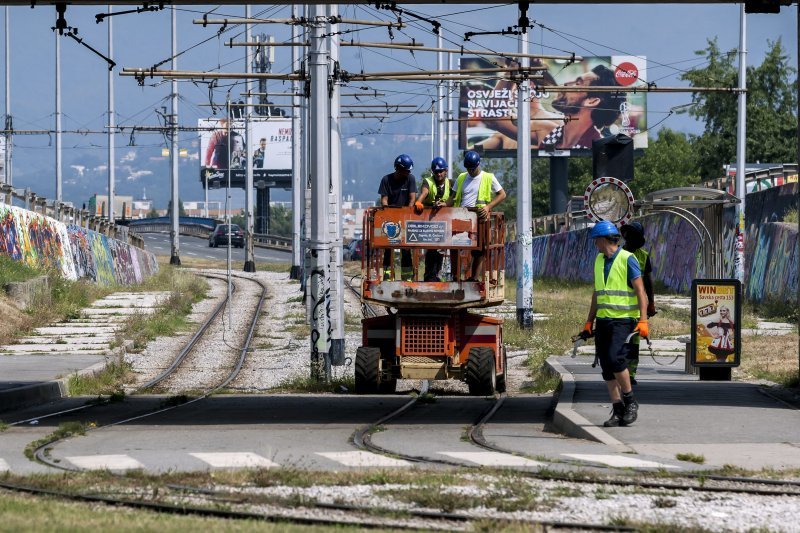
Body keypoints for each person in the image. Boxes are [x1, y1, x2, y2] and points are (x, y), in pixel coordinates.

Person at [581, 220, 648, 427]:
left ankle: (630, 401)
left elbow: (640, 291)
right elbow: (597, 293)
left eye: (596, 241)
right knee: (606, 367)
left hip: (623, 320)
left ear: (602, 239)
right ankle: (617, 408)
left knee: (616, 359)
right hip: (603, 321)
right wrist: (589, 321)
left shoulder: (628, 259)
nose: (595, 245)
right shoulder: (599, 261)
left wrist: (643, 320)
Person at [450, 150, 506, 281]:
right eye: (468, 168)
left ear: (478, 165)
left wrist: (488, 207)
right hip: (461, 217)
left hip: (480, 219)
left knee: (480, 249)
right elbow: (452, 198)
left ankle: (473, 278)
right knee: (455, 247)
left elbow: (502, 194)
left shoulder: (488, 177)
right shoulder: (461, 177)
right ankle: (455, 277)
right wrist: (443, 204)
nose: (470, 171)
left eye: (472, 168)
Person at [542, 64, 623, 149]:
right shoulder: (552, 136)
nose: (566, 83)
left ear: (592, 101)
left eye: (578, 83)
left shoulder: (595, 152)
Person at [621, 221, 657, 385]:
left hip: (637, 308)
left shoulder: (643, 255)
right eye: (630, 235)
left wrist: (651, 303)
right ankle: (621, 372)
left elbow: (648, 281)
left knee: (633, 344)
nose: (631, 238)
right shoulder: (617, 255)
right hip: (620, 307)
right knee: (621, 342)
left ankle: (631, 374)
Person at [378, 154, 417, 281]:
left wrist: (407, 213)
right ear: (398, 169)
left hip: (405, 219)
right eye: (406, 170)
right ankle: (388, 275)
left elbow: (412, 199)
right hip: (390, 220)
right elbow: (384, 199)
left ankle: (407, 277)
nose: (408, 172)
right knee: (389, 248)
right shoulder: (386, 180)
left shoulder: (410, 179)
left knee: (406, 249)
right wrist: (389, 214)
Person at [415, 157, 452, 282]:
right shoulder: (428, 182)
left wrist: (445, 204)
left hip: (444, 223)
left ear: (446, 171)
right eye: (436, 172)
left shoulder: (451, 183)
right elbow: (424, 192)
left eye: (441, 171)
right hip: (429, 223)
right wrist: (419, 202)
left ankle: (436, 275)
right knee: (431, 249)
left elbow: (454, 198)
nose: (439, 174)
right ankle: (429, 275)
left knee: (440, 249)